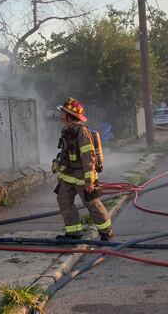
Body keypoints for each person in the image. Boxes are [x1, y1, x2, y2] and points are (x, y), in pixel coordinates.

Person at [52, 97, 112, 241]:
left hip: (83, 176)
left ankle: (106, 232)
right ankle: (73, 232)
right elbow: (66, 153)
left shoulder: (82, 132)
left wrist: (89, 181)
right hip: (68, 175)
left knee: (91, 203)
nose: (60, 115)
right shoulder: (66, 130)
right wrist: (58, 165)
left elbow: (88, 157)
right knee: (63, 200)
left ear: (68, 115)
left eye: (62, 112)